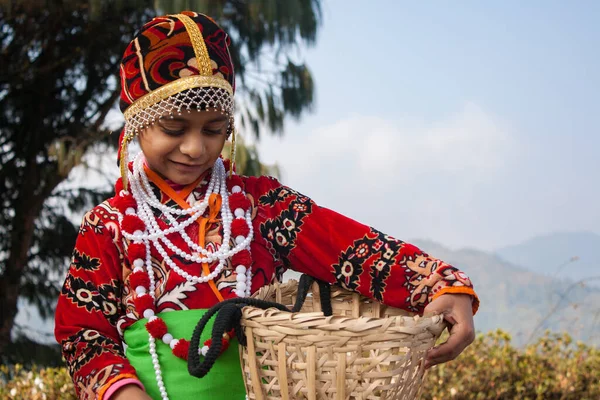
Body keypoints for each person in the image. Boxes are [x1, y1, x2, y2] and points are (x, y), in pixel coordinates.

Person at [54, 11, 479, 400]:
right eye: (174, 127)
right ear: (137, 123)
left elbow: (350, 249)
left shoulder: (260, 206)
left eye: (214, 129)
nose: (195, 147)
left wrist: (440, 286)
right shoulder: (108, 225)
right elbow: (82, 336)